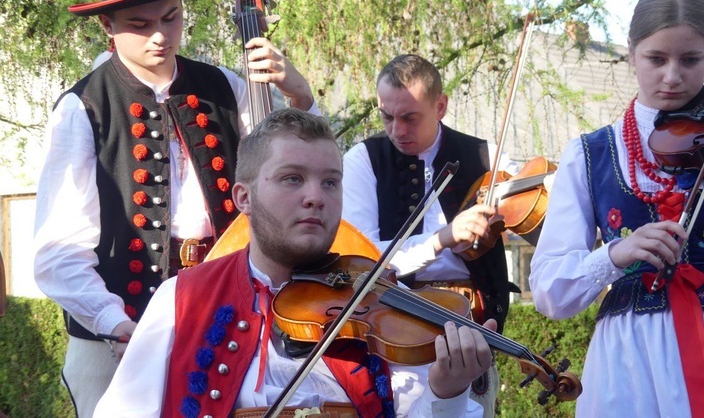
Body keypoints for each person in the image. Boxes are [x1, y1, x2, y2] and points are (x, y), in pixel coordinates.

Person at [33, 0, 317, 418]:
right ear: (108, 26)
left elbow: (287, 174)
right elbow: (58, 251)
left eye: (171, 18)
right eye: (140, 24)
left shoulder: (226, 86)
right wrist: (113, 323)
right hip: (116, 327)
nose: (161, 36)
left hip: (225, 307)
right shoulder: (81, 107)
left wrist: (300, 99)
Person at [93, 107, 495, 417]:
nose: (315, 196)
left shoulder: (382, 300)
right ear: (243, 197)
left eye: (330, 182)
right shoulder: (179, 300)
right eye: (292, 178)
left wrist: (448, 392)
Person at [529, 0, 704, 417]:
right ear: (631, 52)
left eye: (691, 60)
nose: (672, 76)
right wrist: (614, 254)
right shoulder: (589, 154)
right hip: (628, 362)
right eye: (656, 58)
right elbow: (549, 292)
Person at [341, 54, 520, 416]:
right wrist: (442, 239)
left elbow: (542, 194)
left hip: (470, 327)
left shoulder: (483, 156)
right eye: (386, 117)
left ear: (440, 106)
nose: (397, 130)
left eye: (410, 117)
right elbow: (363, 258)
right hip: (395, 327)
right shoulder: (363, 159)